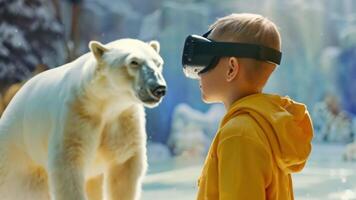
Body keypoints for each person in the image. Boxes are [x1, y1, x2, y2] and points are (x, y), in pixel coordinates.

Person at [181, 13, 313, 199]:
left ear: (231, 68)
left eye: (206, 58)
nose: (198, 72)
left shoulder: (238, 134)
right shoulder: (270, 126)